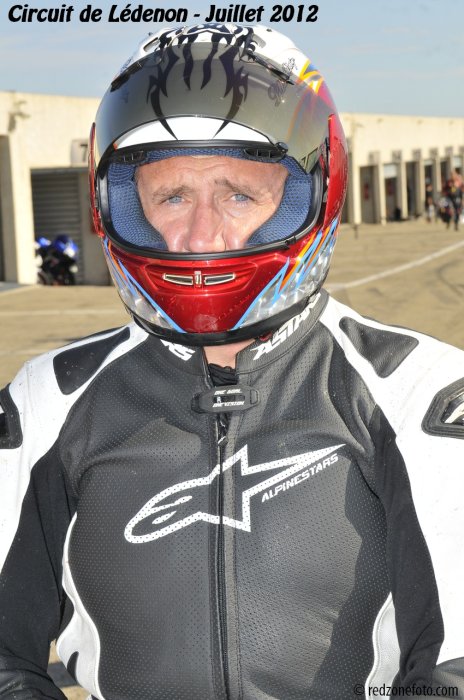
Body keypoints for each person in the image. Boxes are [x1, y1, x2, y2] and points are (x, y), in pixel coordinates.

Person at [1, 23, 464, 700]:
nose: (201, 235)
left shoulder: (420, 393)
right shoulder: (46, 402)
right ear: (120, 205)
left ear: (313, 193)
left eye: (239, 194)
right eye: (171, 196)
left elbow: (455, 668)